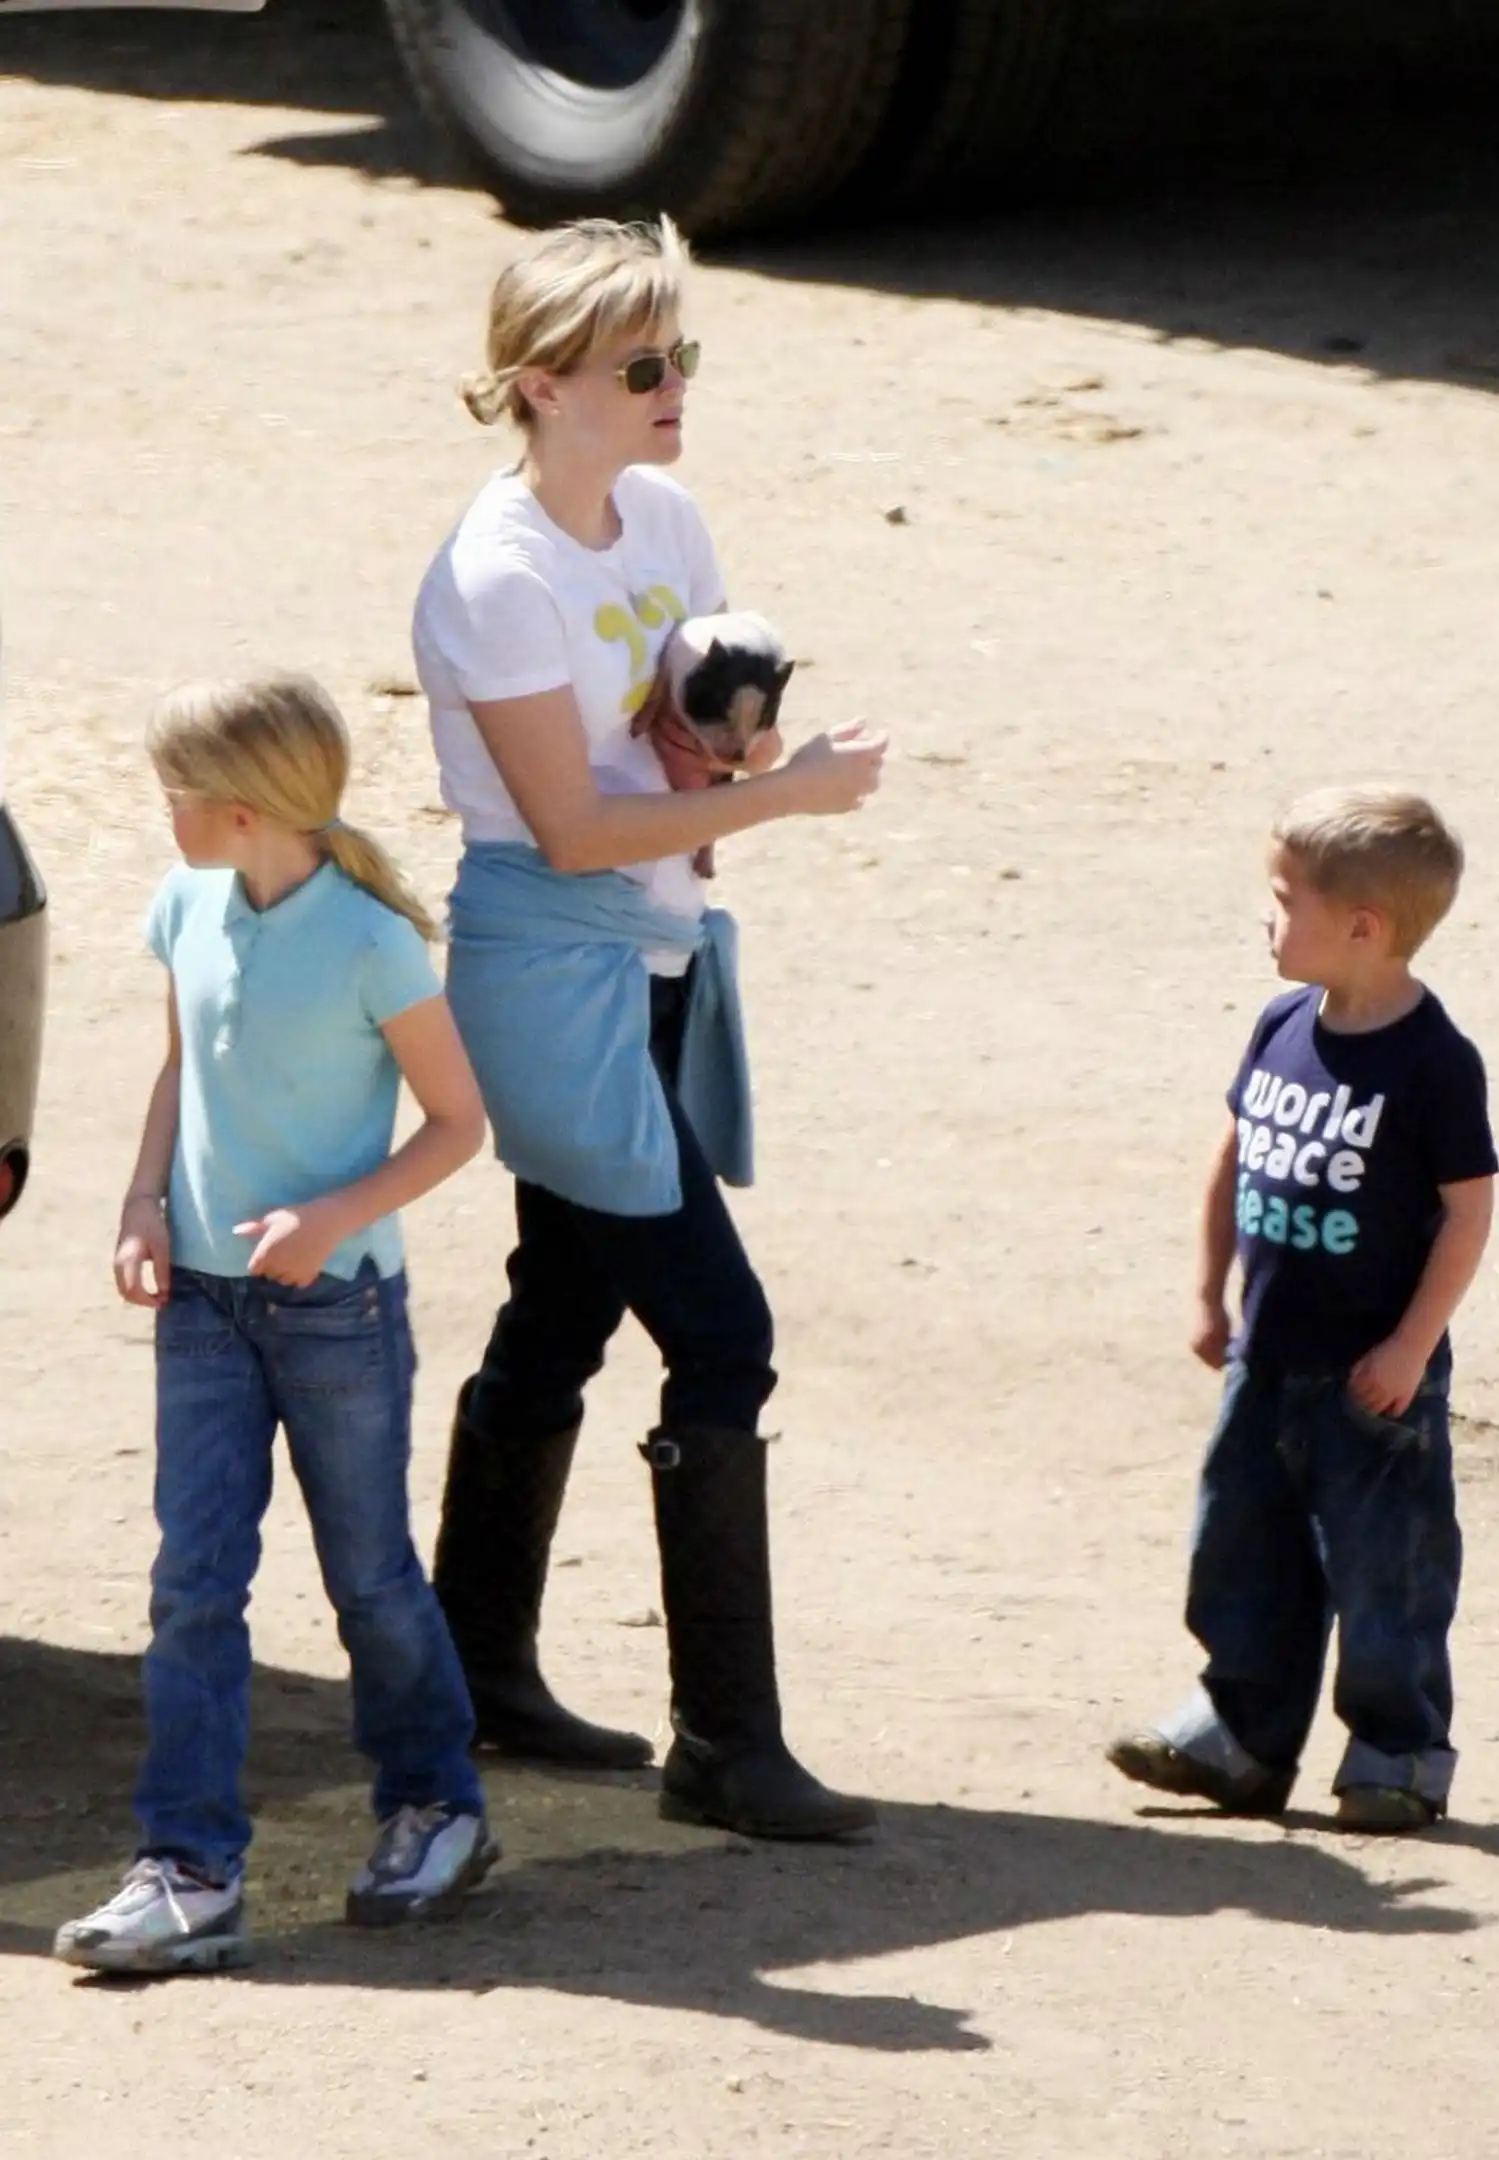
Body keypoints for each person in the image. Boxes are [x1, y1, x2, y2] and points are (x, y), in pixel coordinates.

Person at [411, 215, 887, 1840]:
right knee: (721, 1332)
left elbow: (671, 747)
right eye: (639, 365)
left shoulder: (663, 517)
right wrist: (790, 796)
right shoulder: (496, 575)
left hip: (661, 955)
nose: (674, 383)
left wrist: (727, 750)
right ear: (542, 386)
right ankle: (725, 1746)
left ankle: (472, 1675)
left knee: (561, 1304)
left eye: (682, 353)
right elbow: (564, 832)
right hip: (554, 975)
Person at [55, 674, 498, 1975]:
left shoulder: (370, 942)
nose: (166, 815)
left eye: (175, 795)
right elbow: (180, 1068)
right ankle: (188, 1867)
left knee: (369, 1574)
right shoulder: (184, 904)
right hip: (200, 1302)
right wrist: (143, 1203)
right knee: (194, 1584)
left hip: (335, 1309)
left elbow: (457, 1125)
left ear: (241, 809)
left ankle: (436, 1805)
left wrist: (330, 1219)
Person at [1109, 787, 1497, 1833]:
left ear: (1364, 927)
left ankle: (1397, 1753)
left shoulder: (1434, 1063)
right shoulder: (1283, 1024)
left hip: (1373, 1379)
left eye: (1286, 901)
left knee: (1385, 1570)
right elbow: (1236, 1155)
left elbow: (1468, 1212)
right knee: (1242, 1549)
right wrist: (1208, 1292)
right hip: (1266, 1356)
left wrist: (1412, 1344)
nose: (1266, 917)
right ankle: (1242, 1736)